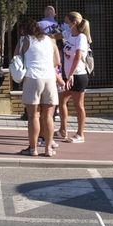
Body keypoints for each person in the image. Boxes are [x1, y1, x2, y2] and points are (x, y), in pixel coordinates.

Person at [16, 16, 62, 156]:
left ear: (24, 29)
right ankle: (48, 148)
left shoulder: (24, 40)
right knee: (48, 116)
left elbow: (16, 59)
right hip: (49, 78)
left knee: (33, 116)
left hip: (33, 78)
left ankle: (33, 149)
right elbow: (57, 62)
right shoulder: (51, 40)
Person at [57, 11, 92, 143]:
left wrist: (71, 74)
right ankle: (63, 130)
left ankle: (80, 134)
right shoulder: (69, 34)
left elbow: (78, 56)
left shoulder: (81, 37)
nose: (64, 25)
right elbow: (54, 36)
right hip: (67, 75)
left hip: (78, 75)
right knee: (61, 101)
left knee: (78, 105)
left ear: (74, 23)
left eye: (66, 23)